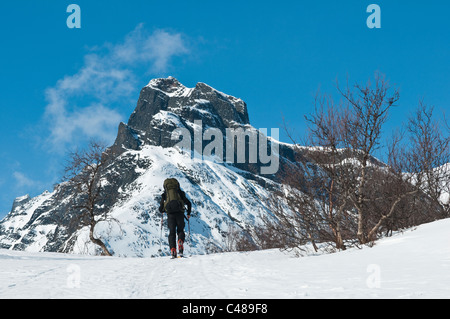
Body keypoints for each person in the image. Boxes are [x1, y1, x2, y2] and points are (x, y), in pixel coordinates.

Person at [159, 178, 191, 258]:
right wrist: (188, 213)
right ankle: (180, 242)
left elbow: (160, 208)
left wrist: (163, 210)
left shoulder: (165, 194)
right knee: (180, 230)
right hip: (180, 213)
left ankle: (173, 250)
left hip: (170, 215)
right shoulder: (180, 192)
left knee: (172, 233)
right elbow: (189, 203)